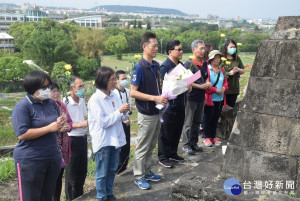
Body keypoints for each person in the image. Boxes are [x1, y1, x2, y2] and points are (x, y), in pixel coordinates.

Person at [12, 70, 65, 201]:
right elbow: (22, 134)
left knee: (46, 196)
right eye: (44, 87)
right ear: (32, 88)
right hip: (31, 160)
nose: (48, 90)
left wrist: (59, 123)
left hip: (51, 157)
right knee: (31, 197)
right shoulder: (23, 106)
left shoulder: (50, 102)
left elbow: (54, 124)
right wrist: (49, 128)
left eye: (48, 86)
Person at [130, 32, 168, 190]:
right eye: (153, 46)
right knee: (143, 145)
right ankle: (138, 175)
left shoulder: (156, 65)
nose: (156, 48)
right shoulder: (139, 68)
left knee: (152, 144)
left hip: (157, 111)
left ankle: (146, 171)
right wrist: (155, 98)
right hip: (146, 113)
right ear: (144, 47)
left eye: (157, 46)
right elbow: (133, 92)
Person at [88, 66, 129, 201]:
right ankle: (101, 197)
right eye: (112, 79)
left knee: (112, 169)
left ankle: (109, 193)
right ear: (104, 80)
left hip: (115, 139)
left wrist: (124, 113)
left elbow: (120, 116)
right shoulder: (95, 99)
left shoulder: (115, 95)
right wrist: (119, 111)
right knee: (102, 173)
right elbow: (103, 122)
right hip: (104, 140)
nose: (114, 81)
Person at [158, 39, 187, 168]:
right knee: (166, 132)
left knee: (177, 130)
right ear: (170, 51)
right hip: (169, 106)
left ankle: (172, 153)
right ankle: (163, 157)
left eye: (181, 49)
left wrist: (188, 84)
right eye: (178, 49)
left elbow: (186, 83)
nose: (181, 51)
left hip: (181, 103)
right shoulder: (165, 67)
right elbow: (161, 87)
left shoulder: (180, 65)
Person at [181, 40, 212, 155]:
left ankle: (194, 143)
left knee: (197, 122)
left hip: (201, 97)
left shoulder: (204, 63)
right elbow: (185, 81)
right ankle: (186, 145)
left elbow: (206, 76)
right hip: (191, 97)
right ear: (193, 50)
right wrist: (201, 86)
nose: (203, 51)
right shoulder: (188, 64)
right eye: (201, 48)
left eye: (204, 48)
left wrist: (207, 83)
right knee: (188, 122)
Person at [65, 76, 88, 201]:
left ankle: (80, 196)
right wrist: (80, 124)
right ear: (72, 89)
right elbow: (64, 125)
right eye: (80, 87)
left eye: (83, 86)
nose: (82, 89)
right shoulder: (66, 103)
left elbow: (85, 116)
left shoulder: (82, 101)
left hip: (83, 138)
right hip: (72, 140)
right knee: (72, 173)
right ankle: (70, 198)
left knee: (82, 171)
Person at [50, 82, 73, 201]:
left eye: (58, 91)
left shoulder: (61, 105)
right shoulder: (46, 107)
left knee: (59, 178)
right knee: (51, 179)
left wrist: (68, 127)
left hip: (63, 147)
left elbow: (70, 122)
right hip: (52, 147)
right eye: (53, 91)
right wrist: (57, 128)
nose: (56, 94)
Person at [203, 50, 228, 147]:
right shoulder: (208, 70)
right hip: (210, 99)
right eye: (216, 58)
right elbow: (206, 85)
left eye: (219, 58)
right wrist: (215, 90)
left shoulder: (222, 69)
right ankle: (207, 137)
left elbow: (225, 81)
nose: (218, 60)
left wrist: (224, 88)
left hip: (220, 99)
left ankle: (213, 136)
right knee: (208, 118)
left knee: (215, 118)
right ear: (211, 59)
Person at [113, 70, 132, 174]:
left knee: (127, 146)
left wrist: (127, 118)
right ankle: (117, 170)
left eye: (126, 78)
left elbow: (129, 108)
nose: (125, 81)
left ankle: (123, 168)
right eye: (122, 79)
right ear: (117, 80)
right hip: (118, 122)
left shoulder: (128, 91)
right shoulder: (114, 93)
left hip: (127, 121)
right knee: (119, 147)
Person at [222, 39, 245, 107]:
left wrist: (238, 70)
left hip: (234, 88)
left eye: (234, 47)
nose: (233, 49)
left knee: (231, 109)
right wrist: (228, 73)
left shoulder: (236, 58)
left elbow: (243, 71)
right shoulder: (222, 58)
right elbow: (217, 73)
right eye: (231, 47)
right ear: (226, 47)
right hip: (224, 89)